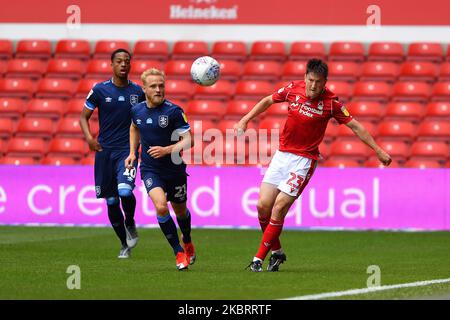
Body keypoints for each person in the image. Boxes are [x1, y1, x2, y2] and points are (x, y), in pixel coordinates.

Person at [235, 58, 392, 272]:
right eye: (310, 80)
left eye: (318, 82)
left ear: (325, 82)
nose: (313, 86)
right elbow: (268, 100)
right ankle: (277, 252)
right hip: (282, 155)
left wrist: (378, 150)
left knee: (279, 207)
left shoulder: (331, 103)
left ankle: (257, 260)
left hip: (304, 160)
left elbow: (355, 127)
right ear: (305, 78)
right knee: (263, 206)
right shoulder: (292, 89)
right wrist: (245, 118)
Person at [125, 68, 195, 271]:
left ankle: (188, 240)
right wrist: (132, 153)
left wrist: (167, 150)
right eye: (153, 86)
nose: (158, 89)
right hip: (150, 169)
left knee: (180, 212)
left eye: (161, 85)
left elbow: (189, 141)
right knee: (162, 207)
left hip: (174, 170)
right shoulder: (137, 110)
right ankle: (178, 252)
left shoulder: (173, 111)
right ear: (144, 89)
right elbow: (134, 127)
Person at [80, 48, 145, 259]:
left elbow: (147, 116)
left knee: (125, 192)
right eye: (119, 61)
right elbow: (83, 117)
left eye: (127, 61)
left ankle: (130, 221)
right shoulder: (99, 90)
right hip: (104, 153)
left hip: (128, 152)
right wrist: (90, 139)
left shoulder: (138, 92)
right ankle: (124, 244)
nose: (124, 64)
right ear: (112, 64)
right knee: (110, 201)